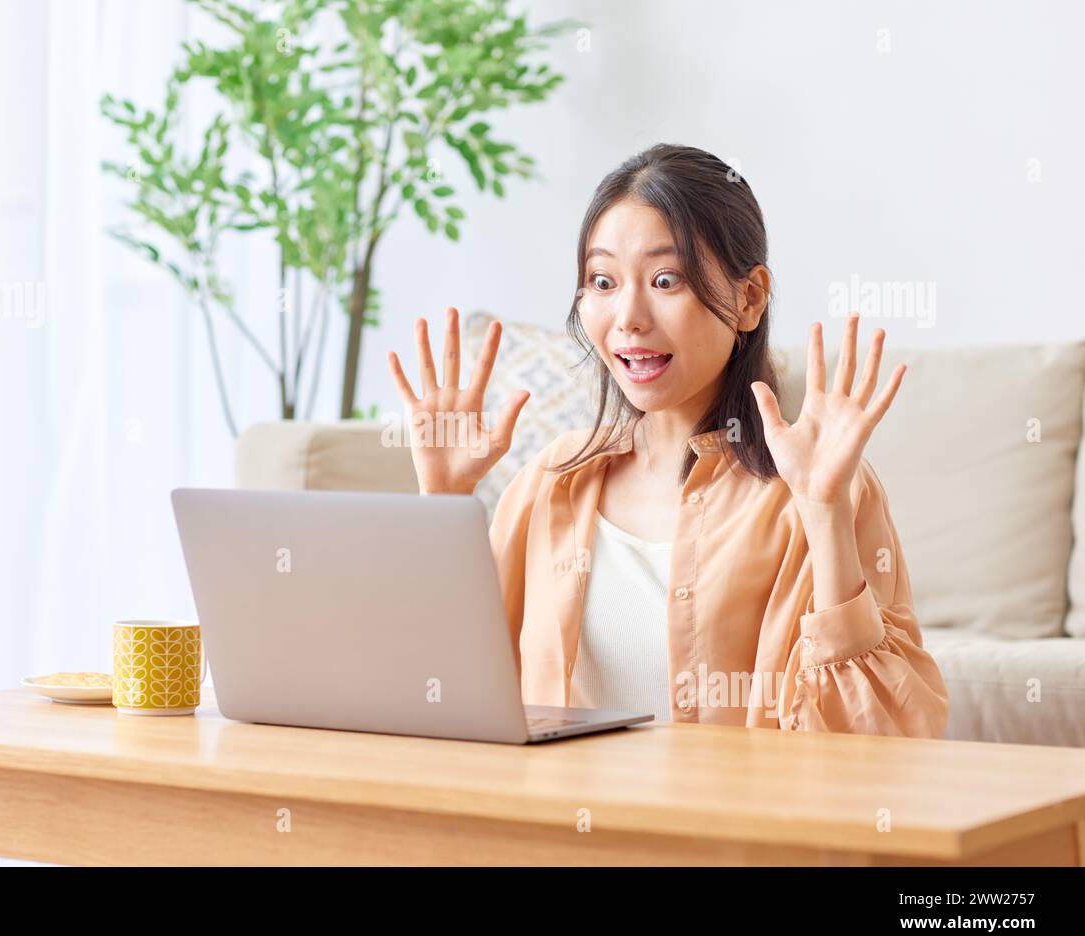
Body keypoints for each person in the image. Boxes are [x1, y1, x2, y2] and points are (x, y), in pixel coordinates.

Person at [387, 144, 948, 736]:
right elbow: (445, 698)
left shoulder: (820, 486)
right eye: (601, 281)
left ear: (749, 298)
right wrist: (443, 501)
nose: (628, 316)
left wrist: (826, 513)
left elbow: (882, 744)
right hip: (559, 821)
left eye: (664, 279)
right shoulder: (553, 481)